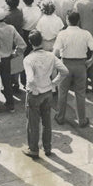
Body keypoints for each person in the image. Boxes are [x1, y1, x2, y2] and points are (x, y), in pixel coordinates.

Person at [22, 31, 68, 159]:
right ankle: (47, 147)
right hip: (48, 92)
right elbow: (64, 71)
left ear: (30, 43)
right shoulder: (51, 56)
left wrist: (34, 89)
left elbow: (30, 79)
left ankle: (33, 149)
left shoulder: (28, 59)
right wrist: (54, 83)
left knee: (33, 123)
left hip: (35, 94)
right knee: (47, 122)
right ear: (41, 41)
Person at [53, 12, 93, 127]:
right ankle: (82, 120)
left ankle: (60, 117)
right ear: (78, 21)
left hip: (65, 64)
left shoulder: (62, 34)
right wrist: (90, 62)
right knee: (80, 93)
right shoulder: (85, 33)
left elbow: (56, 52)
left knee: (62, 92)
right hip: (81, 65)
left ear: (67, 20)